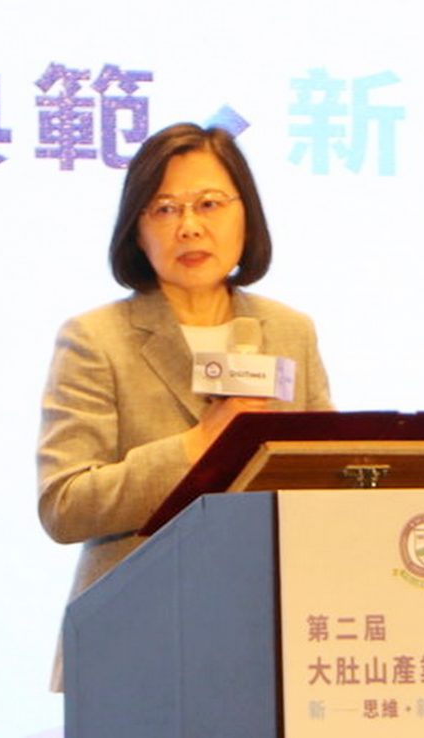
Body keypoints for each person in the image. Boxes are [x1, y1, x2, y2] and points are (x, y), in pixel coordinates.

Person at [36, 122, 333, 689]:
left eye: (209, 204)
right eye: (165, 209)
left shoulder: (289, 332)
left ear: (246, 215)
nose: (190, 225)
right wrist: (198, 446)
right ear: (136, 231)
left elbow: (325, 479)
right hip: (133, 641)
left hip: (268, 639)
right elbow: (64, 504)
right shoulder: (96, 339)